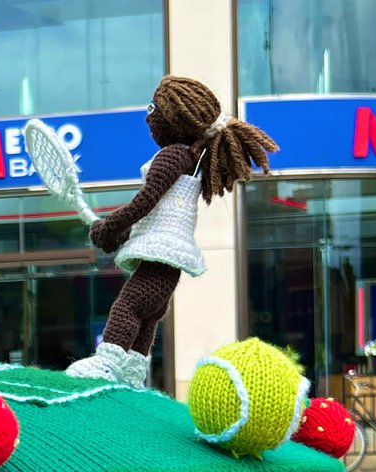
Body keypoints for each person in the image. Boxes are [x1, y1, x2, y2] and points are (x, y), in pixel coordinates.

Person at [67, 76, 278, 387]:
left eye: (153, 108)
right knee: (149, 314)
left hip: (161, 251)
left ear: (173, 117)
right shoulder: (191, 159)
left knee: (127, 306)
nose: (147, 116)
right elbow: (160, 210)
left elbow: (147, 200)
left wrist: (111, 225)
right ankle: (135, 371)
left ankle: (108, 362)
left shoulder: (172, 156)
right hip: (171, 255)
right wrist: (120, 233)